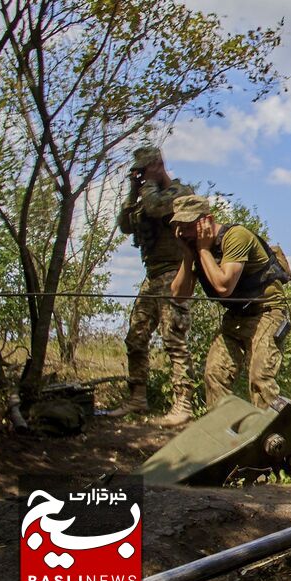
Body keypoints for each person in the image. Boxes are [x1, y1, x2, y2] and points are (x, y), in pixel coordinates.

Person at [169, 195, 290, 410]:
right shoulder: (195, 248)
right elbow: (179, 295)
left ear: (207, 220)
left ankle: (272, 437)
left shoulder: (235, 237)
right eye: (180, 227)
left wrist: (203, 250)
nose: (184, 233)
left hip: (267, 313)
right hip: (235, 318)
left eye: (189, 226)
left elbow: (224, 287)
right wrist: (189, 255)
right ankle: (224, 432)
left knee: (260, 379)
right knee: (214, 375)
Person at [111, 146, 194, 424]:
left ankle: (183, 404)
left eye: (146, 169)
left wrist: (146, 186)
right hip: (153, 275)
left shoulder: (180, 193)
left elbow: (156, 208)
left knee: (174, 337)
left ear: (159, 164)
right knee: (136, 335)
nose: (143, 175)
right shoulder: (144, 195)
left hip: (175, 272)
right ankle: (137, 398)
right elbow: (125, 225)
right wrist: (132, 191)